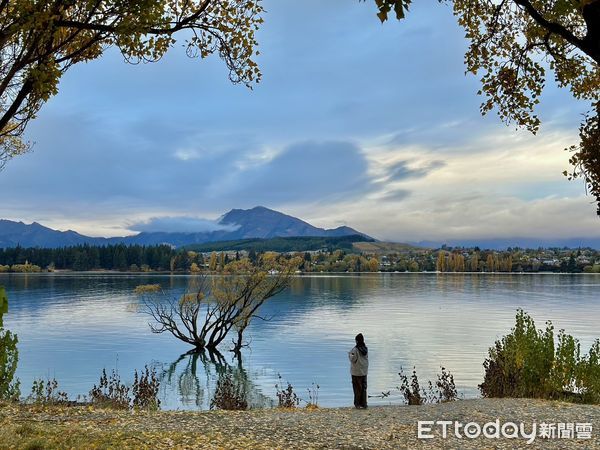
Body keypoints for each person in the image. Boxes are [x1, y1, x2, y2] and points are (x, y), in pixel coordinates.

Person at [348, 333, 368, 408]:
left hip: (356, 372)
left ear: (356, 341)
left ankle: (357, 404)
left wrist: (349, 354)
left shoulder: (355, 350)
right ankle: (364, 404)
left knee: (357, 389)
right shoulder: (366, 349)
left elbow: (353, 359)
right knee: (363, 388)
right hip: (364, 372)